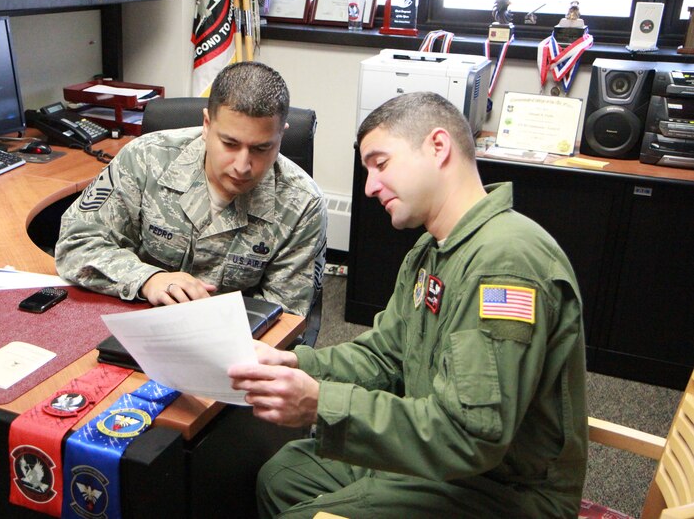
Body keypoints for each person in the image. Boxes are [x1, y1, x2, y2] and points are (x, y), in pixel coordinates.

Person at [229, 91, 588, 518]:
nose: (369, 187)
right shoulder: (433, 250)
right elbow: (386, 356)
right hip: (446, 461)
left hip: (505, 489)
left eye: (380, 164)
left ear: (438, 147)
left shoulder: (504, 264)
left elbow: (471, 437)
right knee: (285, 474)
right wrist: (292, 366)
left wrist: (320, 403)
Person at [55, 62, 327, 318]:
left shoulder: (302, 204)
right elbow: (76, 242)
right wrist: (147, 279)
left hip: (231, 343)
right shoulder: (146, 159)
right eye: (230, 144)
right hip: (136, 316)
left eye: (261, 148)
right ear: (207, 125)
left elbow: (285, 316)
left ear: (282, 135)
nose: (243, 166)